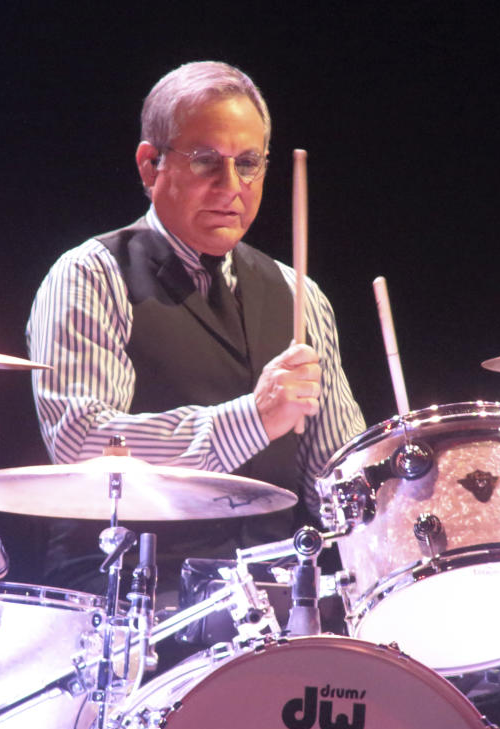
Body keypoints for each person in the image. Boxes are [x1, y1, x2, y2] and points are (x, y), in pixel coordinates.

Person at [26, 60, 365, 608]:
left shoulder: (300, 293)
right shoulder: (91, 275)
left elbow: (336, 484)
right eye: (206, 160)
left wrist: (405, 487)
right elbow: (83, 441)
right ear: (149, 164)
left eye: (249, 163)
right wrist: (252, 420)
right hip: (126, 605)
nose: (231, 186)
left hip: (269, 607)